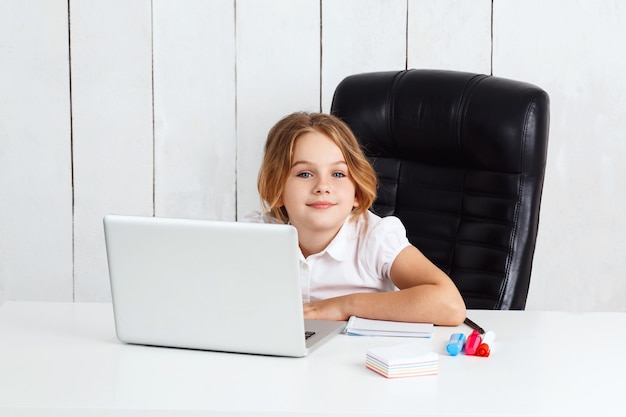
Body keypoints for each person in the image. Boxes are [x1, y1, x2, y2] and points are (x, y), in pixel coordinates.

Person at [246, 112, 466, 326]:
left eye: (338, 174)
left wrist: (343, 306)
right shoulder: (256, 235)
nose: (323, 186)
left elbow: (450, 305)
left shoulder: (376, 238)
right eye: (305, 174)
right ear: (275, 188)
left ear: (357, 193)